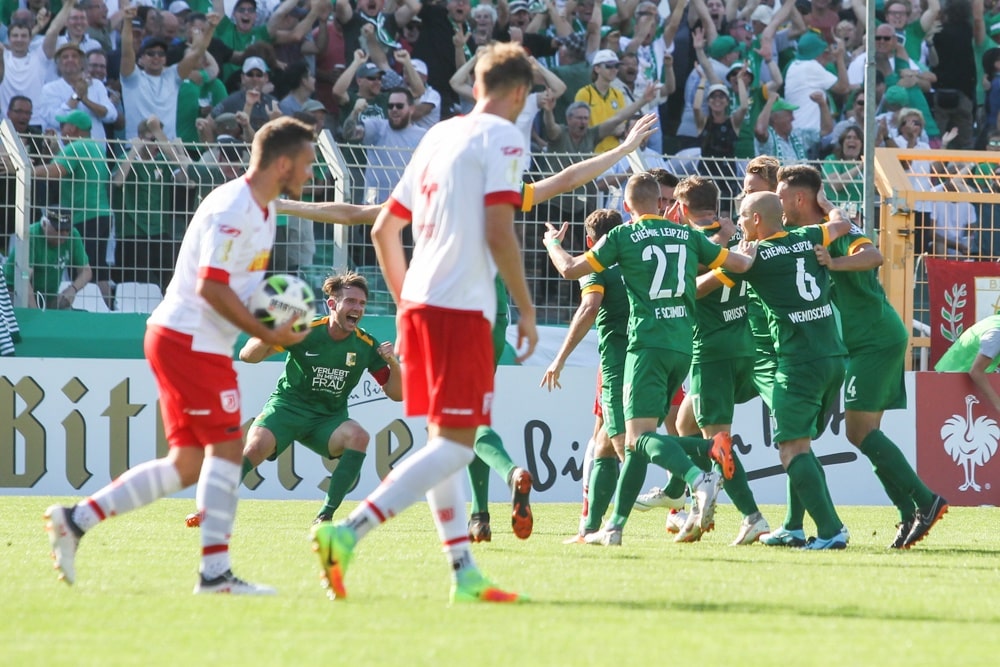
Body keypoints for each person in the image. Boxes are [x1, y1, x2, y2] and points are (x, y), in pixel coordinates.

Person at [44, 117, 317, 594]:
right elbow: (211, 286)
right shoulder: (234, 207)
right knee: (229, 448)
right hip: (188, 340)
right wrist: (266, 330)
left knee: (188, 464)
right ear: (284, 163)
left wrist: (280, 323)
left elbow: (246, 290)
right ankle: (215, 574)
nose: (312, 173)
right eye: (309, 163)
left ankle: (76, 520)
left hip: (194, 342)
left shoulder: (265, 210)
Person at [311, 42, 538, 604]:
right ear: (516, 93)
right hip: (461, 309)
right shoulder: (504, 136)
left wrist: (407, 300)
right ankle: (347, 533)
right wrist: (527, 306)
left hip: (423, 304)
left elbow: (384, 228)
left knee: (443, 443)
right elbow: (497, 228)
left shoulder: (437, 134)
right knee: (458, 448)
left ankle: (463, 575)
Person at [543, 171, 755, 547]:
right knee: (634, 441)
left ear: (626, 206)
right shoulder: (686, 234)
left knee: (637, 440)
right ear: (663, 203)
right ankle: (614, 527)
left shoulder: (622, 236)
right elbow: (736, 265)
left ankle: (699, 473)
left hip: (646, 347)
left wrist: (550, 243)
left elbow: (569, 269)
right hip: (682, 347)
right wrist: (748, 251)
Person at [777, 164, 948, 549]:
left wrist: (834, 264)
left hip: (875, 339)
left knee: (859, 431)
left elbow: (873, 256)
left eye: (783, 196)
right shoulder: (813, 231)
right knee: (866, 433)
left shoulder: (839, 234)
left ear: (801, 198)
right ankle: (910, 513)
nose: (780, 203)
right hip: (863, 342)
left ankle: (926, 500)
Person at [186, 272, 402, 527]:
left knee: (359, 437)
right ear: (332, 304)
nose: (357, 308)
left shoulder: (365, 344)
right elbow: (248, 356)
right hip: (288, 408)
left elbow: (397, 395)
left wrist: (393, 364)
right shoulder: (305, 330)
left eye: (362, 304)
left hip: (327, 419)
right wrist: (273, 329)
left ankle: (325, 517)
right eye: (351, 302)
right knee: (254, 448)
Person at [727, 190, 851, 550]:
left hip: (798, 364)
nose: (739, 224)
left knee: (791, 450)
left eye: (741, 216)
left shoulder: (756, 255)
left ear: (755, 220)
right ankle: (793, 528)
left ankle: (831, 531)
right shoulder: (809, 235)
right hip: (832, 358)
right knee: (802, 445)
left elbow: (719, 272)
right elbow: (841, 225)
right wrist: (828, 207)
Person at [540, 208, 630, 543]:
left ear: (590, 240)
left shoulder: (598, 265)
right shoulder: (637, 260)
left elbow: (589, 306)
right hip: (660, 354)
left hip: (620, 365)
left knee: (625, 446)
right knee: (604, 443)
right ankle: (590, 528)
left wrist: (559, 358)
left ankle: (691, 480)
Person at [2, 208, 92, 310]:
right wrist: (36, 314)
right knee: (26, 317)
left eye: (67, 229)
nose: (64, 234)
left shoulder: (73, 235)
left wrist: (72, 289)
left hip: (47, 295)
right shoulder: (30, 236)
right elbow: (24, 280)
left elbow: (86, 271)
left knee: (67, 312)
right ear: (44, 224)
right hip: (13, 291)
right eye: (58, 229)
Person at [936, 314, 1000, 414]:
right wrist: (997, 404)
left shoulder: (995, 320)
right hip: (953, 381)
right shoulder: (997, 334)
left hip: (950, 378)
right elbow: (976, 371)